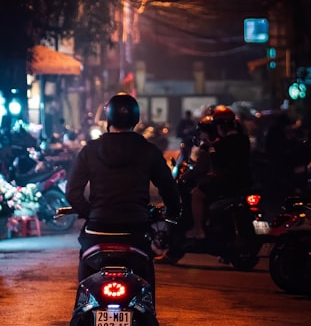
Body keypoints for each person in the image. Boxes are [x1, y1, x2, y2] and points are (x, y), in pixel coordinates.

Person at [65, 93, 181, 295]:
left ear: (108, 118)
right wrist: (173, 212)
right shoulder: (148, 150)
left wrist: (90, 212)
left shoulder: (90, 150)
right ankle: (147, 316)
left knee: (86, 270)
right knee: (145, 274)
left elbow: (73, 192)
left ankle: (81, 317)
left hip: (97, 231)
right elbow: (168, 188)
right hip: (135, 230)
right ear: (136, 120)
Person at [188, 105, 252, 237]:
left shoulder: (221, 144)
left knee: (196, 193)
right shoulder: (243, 139)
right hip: (245, 182)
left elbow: (214, 163)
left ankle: (198, 229)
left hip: (228, 184)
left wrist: (209, 148)